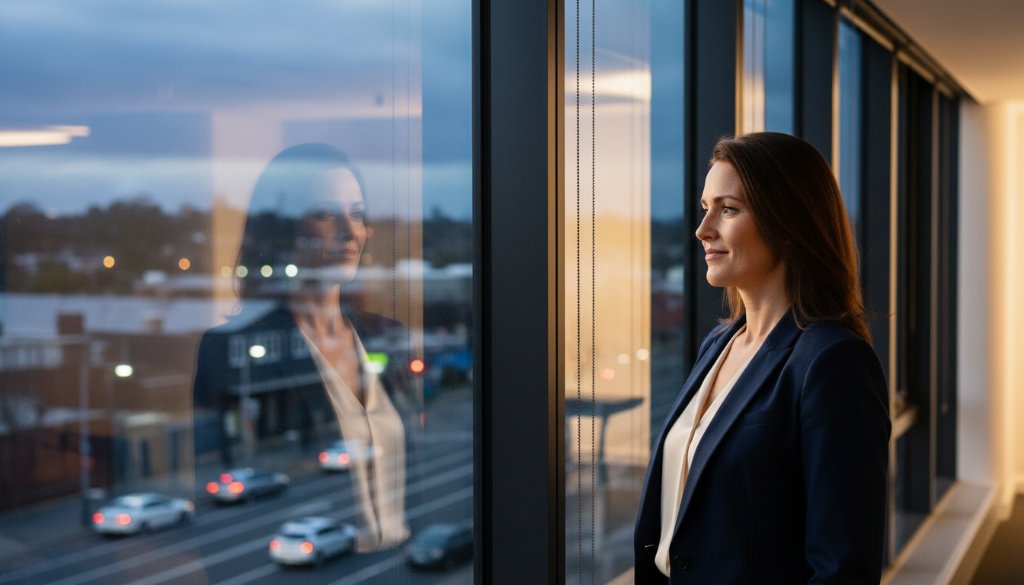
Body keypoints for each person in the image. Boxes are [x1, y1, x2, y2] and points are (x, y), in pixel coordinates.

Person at [633, 132, 890, 583]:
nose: (703, 229)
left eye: (728, 209)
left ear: (789, 223)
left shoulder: (832, 362)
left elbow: (843, 567)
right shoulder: (719, 343)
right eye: (704, 208)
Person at [193, 143, 417, 551]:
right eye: (326, 214)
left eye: (358, 213)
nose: (351, 232)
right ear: (285, 232)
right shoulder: (225, 345)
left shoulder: (380, 335)